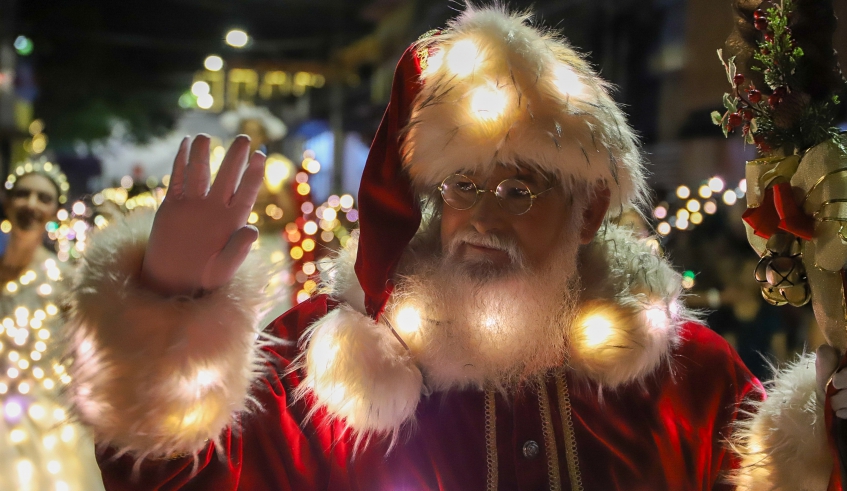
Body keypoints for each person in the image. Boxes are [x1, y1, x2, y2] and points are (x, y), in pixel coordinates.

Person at [63, 6, 843, 490]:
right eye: (460, 187)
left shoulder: (686, 376)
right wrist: (162, 315)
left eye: (516, 190)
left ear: (588, 207)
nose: (479, 220)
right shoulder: (322, 371)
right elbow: (168, 479)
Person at [0, 157, 105, 490]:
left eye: (43, 198)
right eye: (23, 194)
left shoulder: (63, 280)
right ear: (7, 201)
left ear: (53, 210)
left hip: (44, 424)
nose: (31, 204)